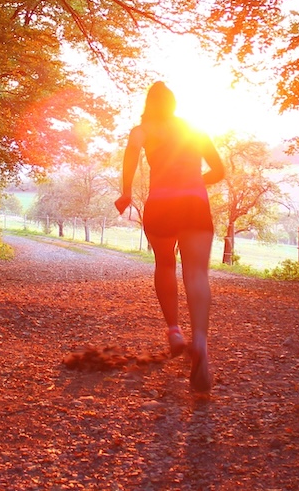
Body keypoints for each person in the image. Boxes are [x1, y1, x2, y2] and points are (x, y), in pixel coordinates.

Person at [115, 82, 224, 393]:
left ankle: (175, 333)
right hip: (194, 203)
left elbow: (130, 160)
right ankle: (200, 342)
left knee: (165, 264)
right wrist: (192, 181)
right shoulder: (194, 130)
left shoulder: (142, 130)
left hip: (160, 204)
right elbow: (219, 170)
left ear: (149, 104)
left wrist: (125, 193)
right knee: (197, 272)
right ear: (174, 104)